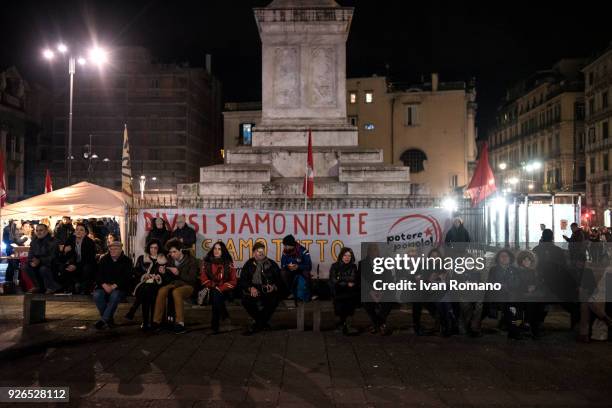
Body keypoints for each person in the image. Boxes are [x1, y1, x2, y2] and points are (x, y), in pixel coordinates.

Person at [152, 238, 200, 334]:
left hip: (188, 286)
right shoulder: (170, 260)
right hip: (174, 284)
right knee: (162, 290)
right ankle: (156, 322)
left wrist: (178, 273)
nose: (172, 254)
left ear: (181, 250)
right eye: (171, 252)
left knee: (176, 292)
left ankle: (180, 323)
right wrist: (164, 273)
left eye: (174, 252)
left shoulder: (192, 260)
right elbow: (168, 279)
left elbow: (192, 279)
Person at [534, 229, 579, 328]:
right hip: (556, 284)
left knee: (541, 301)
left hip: (542, 283)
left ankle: (538, 322)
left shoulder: (536, 249)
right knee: (567, 301)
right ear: (552, 238)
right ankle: (576, 320)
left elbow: (533, 266)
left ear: (542, 237)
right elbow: (564, 267)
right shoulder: (558, 250)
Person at [239, 242, 282, 335]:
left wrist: (274, 286)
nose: (261, 253)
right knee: (245, 300)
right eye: (259, 251)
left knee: (274, 300)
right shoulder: (249, 264)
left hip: (268, 291)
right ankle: (262, 323)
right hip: (254, 290)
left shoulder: (272, 264)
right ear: (254, 252)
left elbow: (279, 279)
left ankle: (257, 325)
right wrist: (250, 288)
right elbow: (243, 280)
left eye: (263, 251)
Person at [125, 239, 167, 325]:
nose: (153, 250)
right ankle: (148, 321)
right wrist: (144, 275)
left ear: (159, 249)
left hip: (157, 283)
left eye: (155, 248)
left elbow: (166, 274)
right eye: (151, 247)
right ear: (148, 248)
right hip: (143, 282)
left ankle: (135, 312)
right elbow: (135, 271)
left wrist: (158, 276)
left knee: (147, 290)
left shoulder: (163, 259)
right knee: (146, 290)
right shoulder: (142, 258)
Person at [93, 241, 132, 329]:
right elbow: (98, 275)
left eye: (115, 249)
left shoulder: (127, 261)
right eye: (111, 249)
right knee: (97, 295)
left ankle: (104, 320)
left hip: (119, 287)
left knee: (114, 295)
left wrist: (114, 286)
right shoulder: (104, 259)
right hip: (104, 286)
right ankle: (109, 320)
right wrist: (104, 285)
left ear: (121, 250)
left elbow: (126, 277)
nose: (113, 251)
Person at [201, 241, 237, 334]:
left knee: (217, 294)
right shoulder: (206, 262)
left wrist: (221, 288)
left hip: (225, 291)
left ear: (223, 251)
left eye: (219, 249)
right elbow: (204, 280)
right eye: (215, 248)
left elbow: (233, 281)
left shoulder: (228, 263)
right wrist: (214, 286)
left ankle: (215, 323)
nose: (216, 251)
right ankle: (221, 317)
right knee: (215, 295)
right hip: (211, 289)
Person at [487, 249, 523, 339]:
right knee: (511, 306)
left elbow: (518, 283)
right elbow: (491, 282)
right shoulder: (494, 270)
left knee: (515, 306)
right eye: (501, 256)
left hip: (512, 294)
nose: (504, 258)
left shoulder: (515, 270)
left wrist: (507, 286)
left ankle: (514, 329)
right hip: (498, 294)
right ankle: (514, 331)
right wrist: (501, 286)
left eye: (506, 256)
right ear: (498, 258)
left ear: (510, 258)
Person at [360, 243, 393, 335]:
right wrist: (371, 291)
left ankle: (376, 324)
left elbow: (389, 278)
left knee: (389, 301)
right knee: (366, 303)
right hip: (369, 292)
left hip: (382, 290)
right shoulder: (362, 263)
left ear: (378, 251)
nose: (374, 251)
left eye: (375, 249)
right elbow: (361, 280)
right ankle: (381, 324)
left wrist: (382, 290)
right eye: (371, 249)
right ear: (368, 251)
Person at [59, 223, 98, 294]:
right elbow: (64, 256)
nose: (78, 232)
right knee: (62, 267)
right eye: (77, 230)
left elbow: (89, 259)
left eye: (81, 230)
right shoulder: (70, 240)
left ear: (85, 233)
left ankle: (85, 288)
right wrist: (64, 251)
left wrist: (75, 266)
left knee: (87, 268)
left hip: (86, 264)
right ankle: (69, 288)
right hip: (74, 263)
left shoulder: (89, 242)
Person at [329, 247, 359, 335]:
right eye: (345, 255)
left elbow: (353, 279)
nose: (347, 257)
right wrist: (346, 283)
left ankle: (347, 325)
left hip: (350, 291)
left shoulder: (353, 266)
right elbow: (333, 280)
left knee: (351, 299)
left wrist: (340, 278)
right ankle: (341, 325)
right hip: (338, 291)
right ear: (341, 256)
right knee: (339, 300)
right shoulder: (335, 266)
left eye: (349, 256)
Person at [26, 224, 60, 294]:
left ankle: (51, 287)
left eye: (41, 230)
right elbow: (30, 255)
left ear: (46, 231)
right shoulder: (34, 242)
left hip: (51, 265)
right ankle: (38, 286)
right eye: (37, 230)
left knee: (43, 269)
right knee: (26, 267)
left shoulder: (54, 241)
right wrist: (31, 261)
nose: (38, 232)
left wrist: (40, 261)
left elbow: (53, 257)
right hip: (38, 264)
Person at [280, 234, 312, 300]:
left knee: (305, 274)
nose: (284, 247)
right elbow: (283, 264)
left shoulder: (303, 251)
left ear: (291, 245)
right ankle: (291, 292)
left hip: (301, 271)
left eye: (286, 245)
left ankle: (303, 293)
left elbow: (308, 266)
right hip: (290, 271)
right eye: (284, 245)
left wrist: (298, 266)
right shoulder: (285, 252)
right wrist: (288, 266)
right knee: (282, 272)